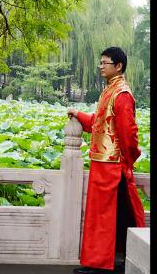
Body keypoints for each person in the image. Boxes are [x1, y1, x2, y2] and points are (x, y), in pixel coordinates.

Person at [67, 47, 145, 274]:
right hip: (102, 162)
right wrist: (78, 115)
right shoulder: (109, 92)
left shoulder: (121, 95)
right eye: (100, 62)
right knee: (101, 214)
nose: (101, 66)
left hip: (112, 164)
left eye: (105, 62)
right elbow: (98, 124)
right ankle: (100, 262)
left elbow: (128, 133)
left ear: (118, 66)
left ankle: (101, 264)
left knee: (104, 215)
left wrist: (128, 160)